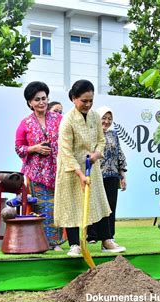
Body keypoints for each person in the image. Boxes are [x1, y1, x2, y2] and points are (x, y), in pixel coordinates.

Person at [54, 79, 126, 256]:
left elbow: (101, 140)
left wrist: (96, 154)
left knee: (100, 202)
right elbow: (66, 152)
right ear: (73, 98)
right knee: (71, 204)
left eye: (90, 101)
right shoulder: (67, 121)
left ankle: (107, 240)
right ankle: (74, 244)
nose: (87, 104)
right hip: (71, 169)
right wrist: (79, 174)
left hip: (92, 166)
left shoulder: (94, 116)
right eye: (83, 101)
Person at [15, 81, 65, 250]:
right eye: (37, 99)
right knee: (43, 206)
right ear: (30, 102)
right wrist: (34, 148)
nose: (42, 102)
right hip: (37, 173)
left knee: (58, 206)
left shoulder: (59, 119)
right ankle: (44, 241)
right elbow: (19, 147)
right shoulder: (25, 123)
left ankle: (57, 242)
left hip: (58, 170)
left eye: (44, 98)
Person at [87, 106, 127, 243]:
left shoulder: (113, 134)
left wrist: (122, 175)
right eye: (104, 118)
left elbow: (119, 154)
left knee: (110, 206)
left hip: (112, 175)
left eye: (110, 119)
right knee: (95, 205)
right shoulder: (92, 134)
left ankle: (109, 236)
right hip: (96, 175)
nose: (106, 121)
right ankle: (92, 236)